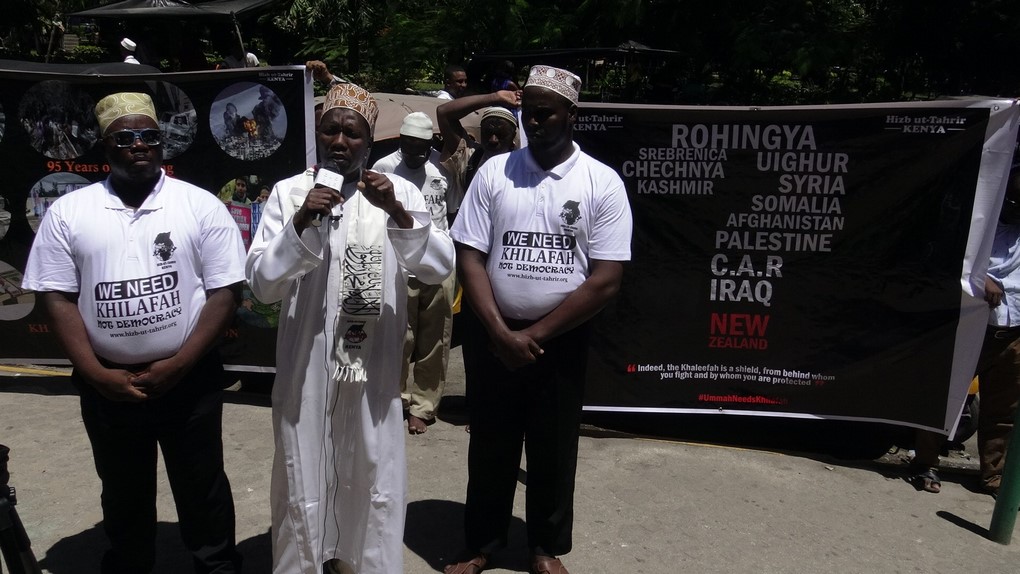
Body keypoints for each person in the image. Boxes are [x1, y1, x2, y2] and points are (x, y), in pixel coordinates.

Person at [21, 92, 245, 573]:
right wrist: (95, 374)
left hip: (189, 380)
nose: (139, 144)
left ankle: (217, 567)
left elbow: (226, 292)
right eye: (125, 138)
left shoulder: (200, 205)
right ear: (105, 146)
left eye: (149, 135)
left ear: (162, 143)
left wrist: (180, 364)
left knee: (202, 485)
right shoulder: (69, 212)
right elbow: (56, 297)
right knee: (123, 490)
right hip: (108, 386)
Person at [245, 83, 454, 574]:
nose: (340, 141)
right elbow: (262, 285)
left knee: (372, 470)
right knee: (303, 470)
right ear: (318, 134)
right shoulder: (290, 192)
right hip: (308, 369)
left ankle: (360, 562)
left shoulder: (400, 190)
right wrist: (301, 221)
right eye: (330, 130)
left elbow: (439, 267)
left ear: (370, 140)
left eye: (352, 133)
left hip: (374, 370)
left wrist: (396, 212)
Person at [445, 65, 633, 574]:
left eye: (545, 113)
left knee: (553, 445)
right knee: (490, 441)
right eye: (528, 112)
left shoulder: (601, 182)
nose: (534, 122)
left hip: (560, 338)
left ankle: (545, 548)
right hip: (493, 332)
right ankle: (482, 543)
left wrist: (533, 335)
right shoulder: (495, 173)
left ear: (572, 115)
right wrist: (499, 332)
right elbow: (470, 256)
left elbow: (606, 279)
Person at [911, 161, 1020, 496]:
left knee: (1003, 411)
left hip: (1013, 330)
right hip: (971, 325)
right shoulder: (976, 224)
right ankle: (925, 463)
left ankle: (993, 476)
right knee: (945, 398)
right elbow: (946, 256)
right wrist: (978, 278)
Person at [372, 112, 455, 434]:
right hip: (398, 260)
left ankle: (423, 405)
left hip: (437, 260)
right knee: (399, 335)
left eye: (421, 147)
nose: (414, 152)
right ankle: (395, 399)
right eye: (408, 145)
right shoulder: (384, 168)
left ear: (429, 144)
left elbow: (452, 211)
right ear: (400, 141)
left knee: (435, 338)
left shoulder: (441, 168)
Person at [437, 90, 521, 225]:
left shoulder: (524, 165)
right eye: (488, 133)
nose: (493, 140)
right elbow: (444, 113)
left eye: (501, 134)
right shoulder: (470, 158)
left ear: (513, 138)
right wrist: (494, 97)